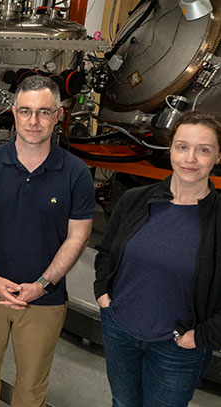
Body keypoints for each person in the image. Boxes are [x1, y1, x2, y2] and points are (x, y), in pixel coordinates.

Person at [0, 75, 95, 407]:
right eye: (25, 111)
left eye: (43, 112)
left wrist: (42, 285)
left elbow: (78, 237)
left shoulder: (76, 173)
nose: (33, 121)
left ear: (59, 115)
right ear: (13, 112)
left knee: (32, 386)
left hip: (45, 300)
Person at [94, 110, 221, 407]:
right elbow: (108, 252)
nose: (190, 158)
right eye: (182, 146)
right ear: (171, 149)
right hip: (120, 329)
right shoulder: (136, 199)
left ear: (217, 157)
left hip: (178, 346)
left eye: (203, 150)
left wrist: (203, 335)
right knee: (123, 403)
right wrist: (103, 294)